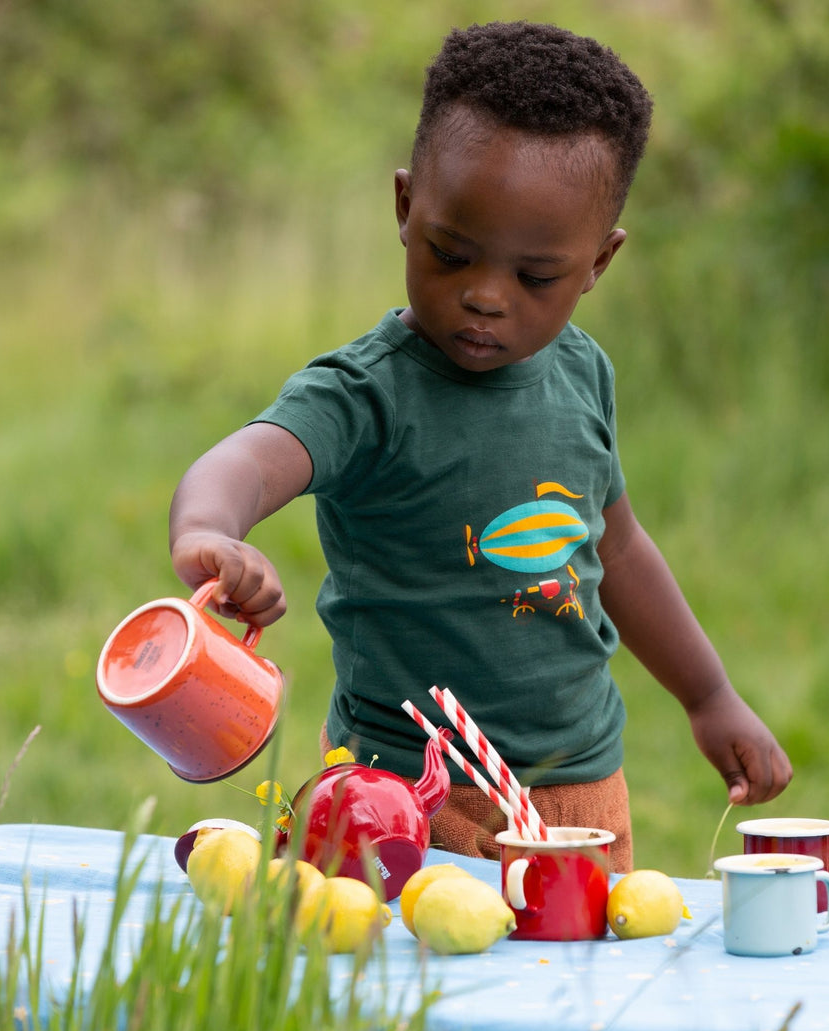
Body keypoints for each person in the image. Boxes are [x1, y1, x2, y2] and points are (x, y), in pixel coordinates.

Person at [169, 20, 792, 872]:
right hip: (394, 797)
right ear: (404, 208)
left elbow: (618, 548)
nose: (486, 298)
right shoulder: (369, 393)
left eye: (536, 277)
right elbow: (247, 458)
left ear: (598, 263)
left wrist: (709, 695)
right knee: (396, 994)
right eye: (452, 254)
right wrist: (208, 529)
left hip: (580, 792)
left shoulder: (581, 372)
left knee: (572, 997)